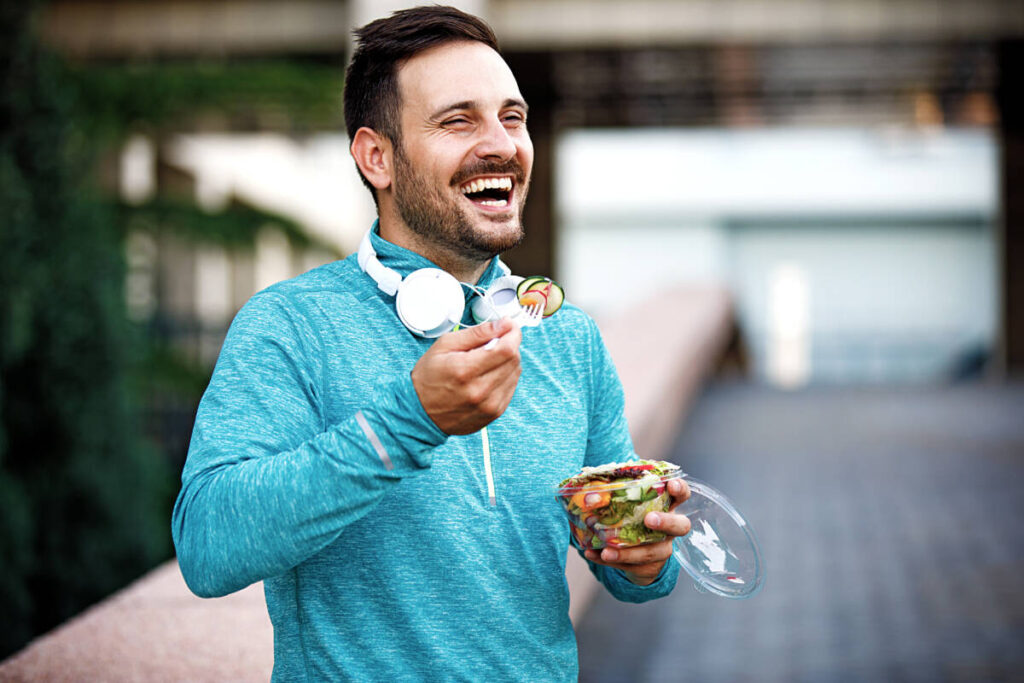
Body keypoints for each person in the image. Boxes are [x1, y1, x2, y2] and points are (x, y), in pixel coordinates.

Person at [171, 6, 691, 681]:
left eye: (513, 117)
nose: (502, 144)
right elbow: (208, 547)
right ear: (376, 157)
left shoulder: (569, 336)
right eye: (458, 120)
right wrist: (410, 420)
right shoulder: (289, 325)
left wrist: (644, 558)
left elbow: (627, 564)